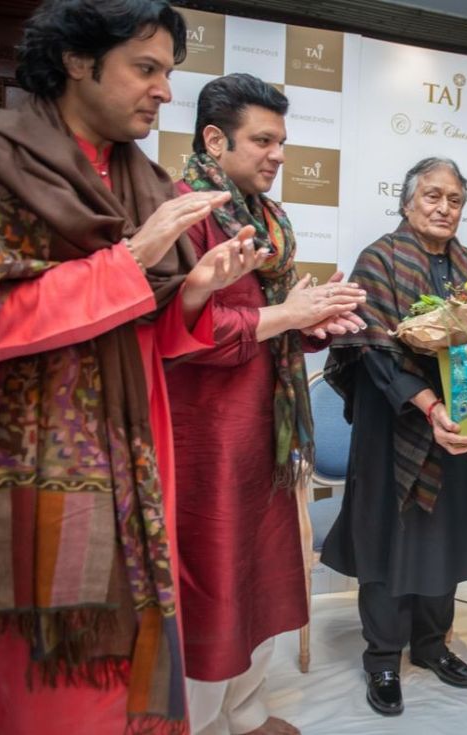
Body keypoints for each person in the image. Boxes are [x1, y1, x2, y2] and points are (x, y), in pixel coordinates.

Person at [0, 2, 266, 733]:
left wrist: (194, 288)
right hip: (31, 468)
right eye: (146, 68)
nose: (166, 90)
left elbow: (153, 335)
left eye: (168, 72)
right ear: (78, 61)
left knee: (132, 668)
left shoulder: (144, 180)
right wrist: (133, 258)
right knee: (51, 685)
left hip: (140, 459)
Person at [165, 74, 367, 735]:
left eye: (281, 140)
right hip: (208, 431)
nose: (277, 154)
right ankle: (197, 722)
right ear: (215, 138)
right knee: (215, 580)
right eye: (263, 140)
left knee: (258, 571)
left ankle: (245, 710)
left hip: (267, 431)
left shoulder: (267, 218)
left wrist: (314, 321)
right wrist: (288, 313)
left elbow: (268, 319)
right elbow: (182, 336)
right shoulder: (182, 212)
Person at [321, 157, 467, 717]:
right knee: (387, 539)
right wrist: (428, 405)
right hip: (393, 425)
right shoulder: (379, 258)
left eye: (455, 200)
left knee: (444, 536)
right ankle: (382, 657)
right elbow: (372, 345)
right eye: (433, 197)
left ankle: (431, 645)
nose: (445, 208)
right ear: (406, 202)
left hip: (460, 431)